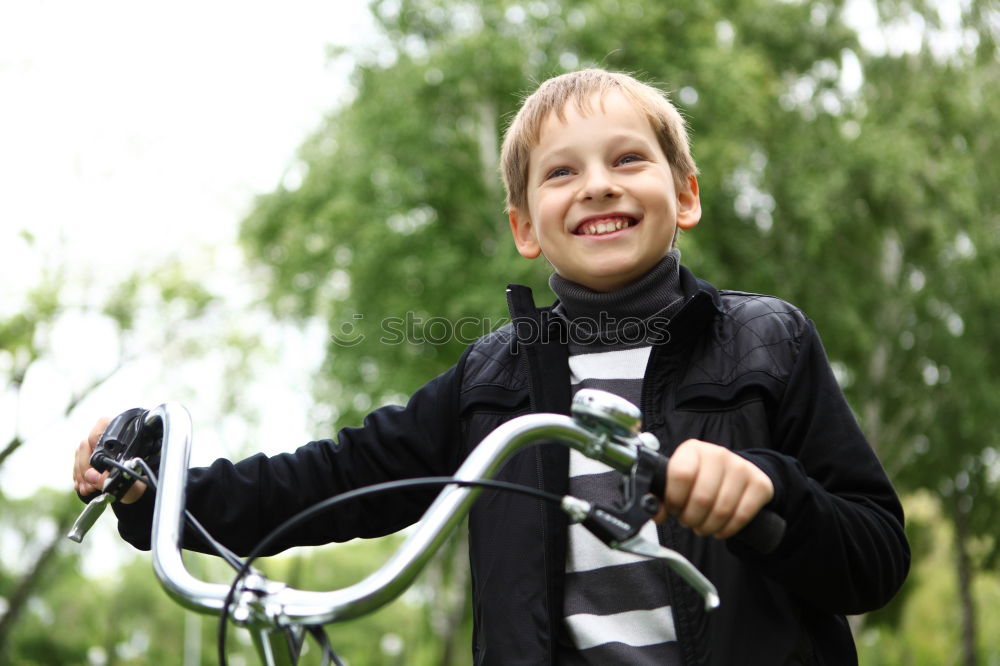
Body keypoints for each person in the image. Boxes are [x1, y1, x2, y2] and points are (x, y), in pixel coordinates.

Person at [74, 69, 909, 665]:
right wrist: (164, 491)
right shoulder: (496, 377)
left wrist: (771, 493)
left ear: (683, 194)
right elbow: (333, 480)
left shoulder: (768, 340)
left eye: (627, 160)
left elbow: (874, 555)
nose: (596, 186)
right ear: (525, 225)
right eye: (561, 173)